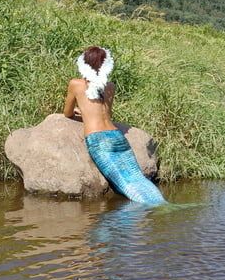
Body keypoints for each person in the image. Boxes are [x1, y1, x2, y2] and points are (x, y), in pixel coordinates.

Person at [63, 46, 166, 206]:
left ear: (83, 64)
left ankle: (149, 210)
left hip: (98, 140)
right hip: (117, 137)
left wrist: (81, 111)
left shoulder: (75, 84)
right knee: (136, 178)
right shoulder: (110, 86)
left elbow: (67, 113)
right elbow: (106, 113)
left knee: (127, 185)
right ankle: (162, 205)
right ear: (106, 65)